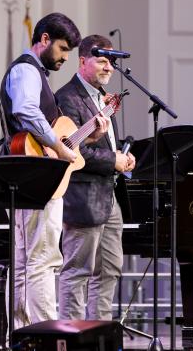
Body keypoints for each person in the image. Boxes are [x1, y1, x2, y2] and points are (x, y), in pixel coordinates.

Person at [0, 12, 109, 327]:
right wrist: (60, 147)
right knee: (44, 262)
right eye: (61, 49)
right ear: (44, 39)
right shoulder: (27, 69)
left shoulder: (34, 73)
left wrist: (88, 136)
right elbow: (25, 111)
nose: (63, 58)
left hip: (30, 175)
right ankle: (45, 335)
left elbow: (47, 127)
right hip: (37, 176)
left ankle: (22, 334)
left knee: (26, 263)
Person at [55, 34, 135, 320]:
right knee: (77, 272)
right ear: (83, 61)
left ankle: (98, 335)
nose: (109, 68)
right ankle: (73, 339)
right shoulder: (67, 98)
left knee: (110, 270)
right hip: (82, 198)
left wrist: (122, 156)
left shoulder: (102, 99)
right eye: (102, 61)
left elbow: (103, 145)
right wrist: (114, 160)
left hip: (108, 196)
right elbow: (71, 151)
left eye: (111, 62)